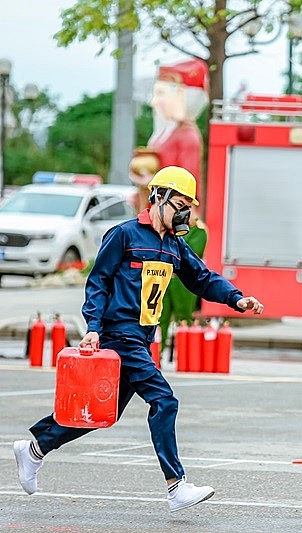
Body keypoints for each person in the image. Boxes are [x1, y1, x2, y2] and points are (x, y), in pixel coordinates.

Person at [12, 166, 264, 512]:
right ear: (157, 198)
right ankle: (176, 486)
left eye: (188, 206)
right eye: (178, 204)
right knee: (165, 401)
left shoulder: (174, 246)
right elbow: (97, 283)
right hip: (120, 335)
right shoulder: (124, 235)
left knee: (106, 413)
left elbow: (203, 279)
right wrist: (93, 327)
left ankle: (35, 447)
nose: (184, 213)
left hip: (142, 339)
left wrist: (237, 298)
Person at [129, 58, 207, 211]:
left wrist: (152, 182)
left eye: (160, 93)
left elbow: (187, 188)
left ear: (180, 95)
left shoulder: (188, 137)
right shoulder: (165, 133)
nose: (154, 102)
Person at [158, 203, 207, 351]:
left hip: (184, 282)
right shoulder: (172, 227)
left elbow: (189, 254)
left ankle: (186, 355)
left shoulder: (199, 230)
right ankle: (157, 353)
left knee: (184, 318)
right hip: (166, 279)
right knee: (161, 317)